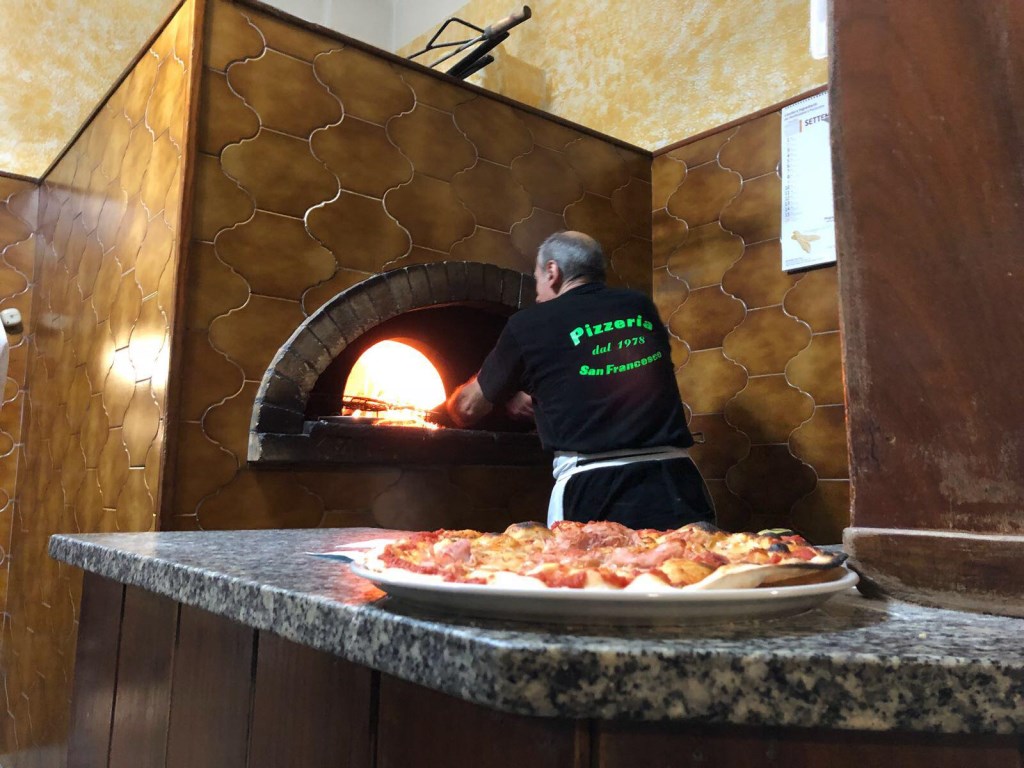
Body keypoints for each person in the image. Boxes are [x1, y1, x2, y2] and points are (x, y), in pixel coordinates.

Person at [446, 230, 715, 530]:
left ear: (552, 271)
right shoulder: (641, 307)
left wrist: (468, 394)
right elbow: (605, 377)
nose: (537, 295)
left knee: (586, 574)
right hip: (676, 482)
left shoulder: (528, 324)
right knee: (690, 571)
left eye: (536, 279)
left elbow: (468, 408)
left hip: (591, 488)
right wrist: (541, 397)